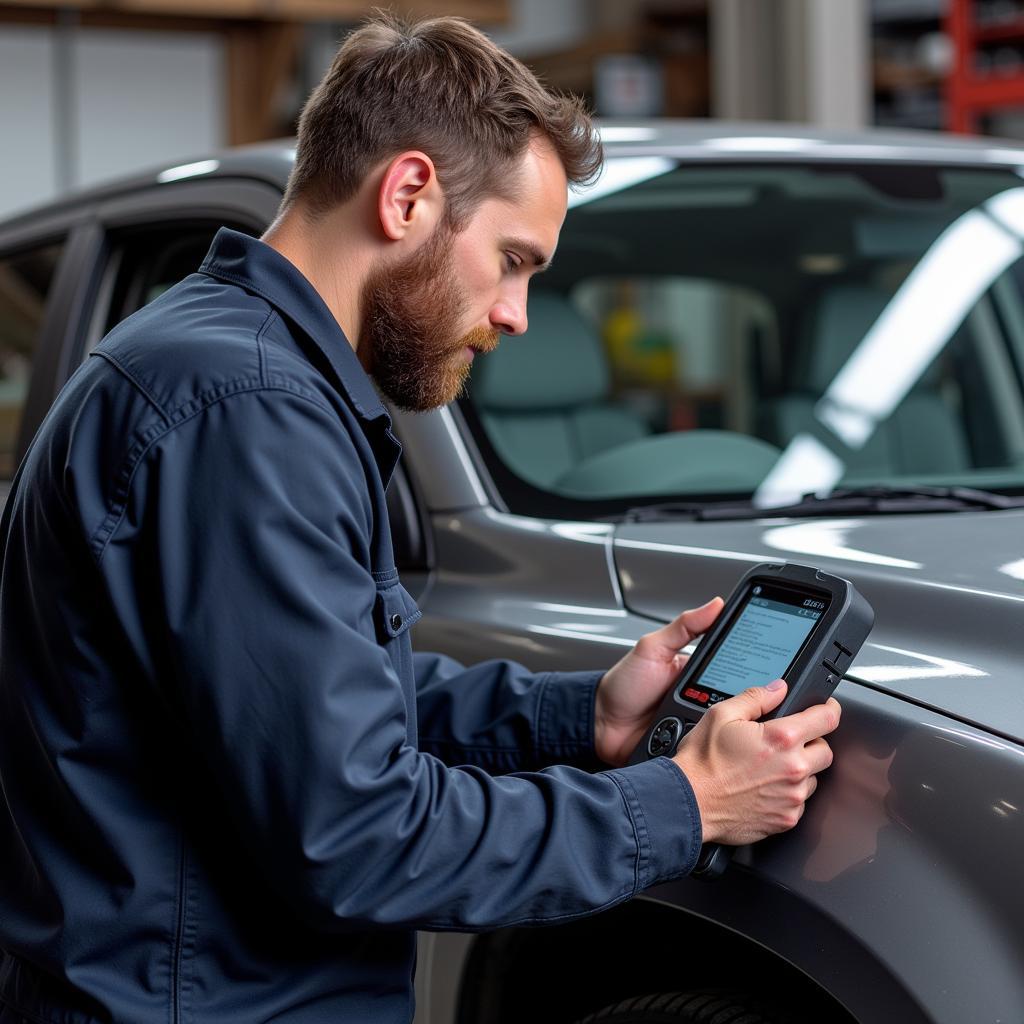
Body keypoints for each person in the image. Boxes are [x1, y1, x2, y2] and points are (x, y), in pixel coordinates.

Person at [0, 13, 840, 1024]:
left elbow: (336, 698)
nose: (519, 314)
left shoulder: (234, 371)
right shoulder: (246, 409)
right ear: (407, 195)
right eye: (515, 259)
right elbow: (355, 833)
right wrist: (685, 803)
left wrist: (586, 715)